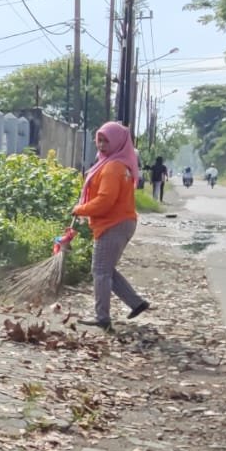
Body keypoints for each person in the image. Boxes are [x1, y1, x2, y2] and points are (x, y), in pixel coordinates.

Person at [74, 122, 150, 330]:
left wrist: (80, 209)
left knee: (100, 271)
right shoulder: (118, 164)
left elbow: (105, 201)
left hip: (113, 223)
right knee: (105, 269)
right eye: (99, 139)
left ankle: (102, 318)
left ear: (117, 142)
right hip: (122, 222)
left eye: (106, 140)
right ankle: (136, 303)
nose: (101, 144)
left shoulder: (112, 168)